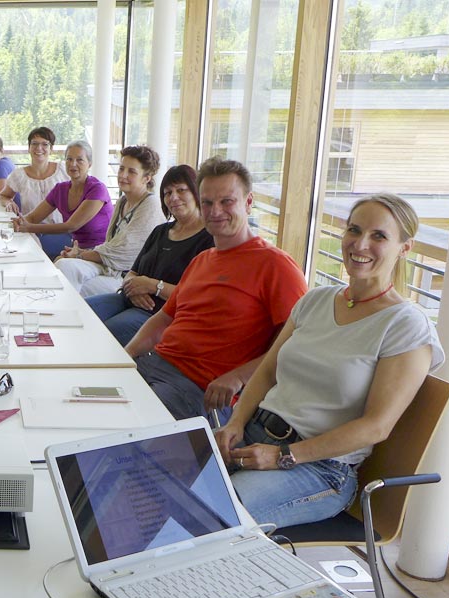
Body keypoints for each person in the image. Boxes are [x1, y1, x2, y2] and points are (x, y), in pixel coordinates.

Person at [214, 194, 444, 529]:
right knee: (159, 487)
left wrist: (284, 456)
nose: (360, 244)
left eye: (379, 236)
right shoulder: (316, 300)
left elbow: (377, 426)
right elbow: (266, 373)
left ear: (404, 248)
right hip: (253, 435)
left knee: (215, 517)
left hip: (319, 468)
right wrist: (235, 424)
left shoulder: (405, 325)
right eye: (354, 229)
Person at [124, 157, 307, 422]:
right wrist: (126, 356)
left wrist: (239, 377)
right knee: (85, 401)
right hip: (154, 365)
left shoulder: (276, 266)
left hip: (199, 390)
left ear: (248, 202)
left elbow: (296, 345)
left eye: (226, 201)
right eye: (208, 202)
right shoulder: (202, 260)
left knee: (123, 423)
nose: (215, 210)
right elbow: (165, 318)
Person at [85, 164, 214, 345]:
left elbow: (197, 297)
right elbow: (132, 272)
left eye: (181, 190)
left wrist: (153, 286)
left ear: (196, 192)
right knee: (81, 314)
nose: (174, 197)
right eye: (168, 193)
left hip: (160, 314)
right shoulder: (160, 232)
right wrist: (134, 289)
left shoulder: (209, 239)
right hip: (128, 299)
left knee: (104, 335)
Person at [56, 145, 165, 296]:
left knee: (70, 284)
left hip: (126, 277)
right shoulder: (122, 201)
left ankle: (69, 317)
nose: (123, 175)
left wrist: (80, 255)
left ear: (146, 178)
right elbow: (110, 246)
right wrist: (80, 252)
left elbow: (123, 251)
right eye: (121, 169)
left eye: (131, 172)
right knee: (63, 266)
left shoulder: (150, 205)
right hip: (109, 268)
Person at [11, 140, 113, 260]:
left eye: (79, 160)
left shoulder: (97, 189)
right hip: (76, 250)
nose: (73, 164)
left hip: (100, 253)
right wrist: (18, 222)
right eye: (69, 159)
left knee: (58, 264)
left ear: (89, 164)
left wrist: (28, 227)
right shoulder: (61, 189)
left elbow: (71, 226)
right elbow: (33, 218)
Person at [0, 126, 68, 223]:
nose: (39, 148)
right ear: (29, 148)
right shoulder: (19, 175)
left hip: (59, 230)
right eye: (34, 143)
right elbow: (2, 196)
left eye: (45, 144)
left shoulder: (63, 170)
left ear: (51, 148)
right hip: (30, 230)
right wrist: (8, 202)